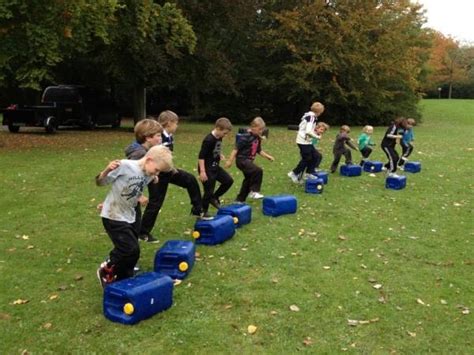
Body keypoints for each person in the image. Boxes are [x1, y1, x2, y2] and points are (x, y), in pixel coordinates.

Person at [96, 145, 173, 288]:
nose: (156, 173)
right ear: (149, 160)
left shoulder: (148, 174)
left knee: (134, 253)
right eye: (156, 170)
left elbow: (135, 186)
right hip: (113, 215)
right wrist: (107, 169)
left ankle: (124, 278)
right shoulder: (125, 165)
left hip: (129, 215)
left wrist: (142, 193)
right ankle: (106, 268)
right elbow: (100, 182)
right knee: (129, 248)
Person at [137, 110, 208, 243]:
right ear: (169, 123)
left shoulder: (169, 136)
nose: (177, 126)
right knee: (156, 201)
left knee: (190, 180)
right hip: (157, 174)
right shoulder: (159, 138)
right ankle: (143, 232)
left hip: (168, 171)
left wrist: (172, 168)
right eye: (176, 123)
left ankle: (197, 209)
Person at [123, 118, 163, 243]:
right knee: (131, 227)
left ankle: (130, 253)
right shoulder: (139, 154)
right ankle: (122, 257)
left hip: (131, 199)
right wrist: (139, 195)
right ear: (148, 138)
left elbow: (141, 171)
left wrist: (152, 176)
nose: (161, 138)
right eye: (158, 135)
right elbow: (128, 176)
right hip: (128, 198)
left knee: (134, 226)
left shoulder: (142, 151)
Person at [225, 116, 274, 202]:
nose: (261, 131)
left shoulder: (258, 138)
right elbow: (235, 149)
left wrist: (268, 156)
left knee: (248, 179)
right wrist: (230, 161)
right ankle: (254, 191)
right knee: (258, 171)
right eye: (259, 129)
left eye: (262, 130)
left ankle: (239, 200)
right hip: (242, 160)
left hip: (248, 161)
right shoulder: (245, 137)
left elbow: (259, 150)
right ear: (253, 127)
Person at [198, 117, 234, 216]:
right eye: (224, 133)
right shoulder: (208, 140)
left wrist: (219, 154)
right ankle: (203, 211)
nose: (225, 135)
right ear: (218, 128)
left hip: (215, 167)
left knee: (228, 181)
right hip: (207, 168)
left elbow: (215, 148)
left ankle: (214, 198)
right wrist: (202, 171)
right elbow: (201, 157)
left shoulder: (219, 137)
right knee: (208, 191)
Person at [288, 102, 325, 183]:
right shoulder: (311, 117)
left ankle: (309, 172)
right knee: (307, 159)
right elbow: (308, 131)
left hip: (307, 141)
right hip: (303, 141)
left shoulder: (310, 116)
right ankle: (294, 173)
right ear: (319, 112)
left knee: (316, 155)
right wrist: (317, 137)